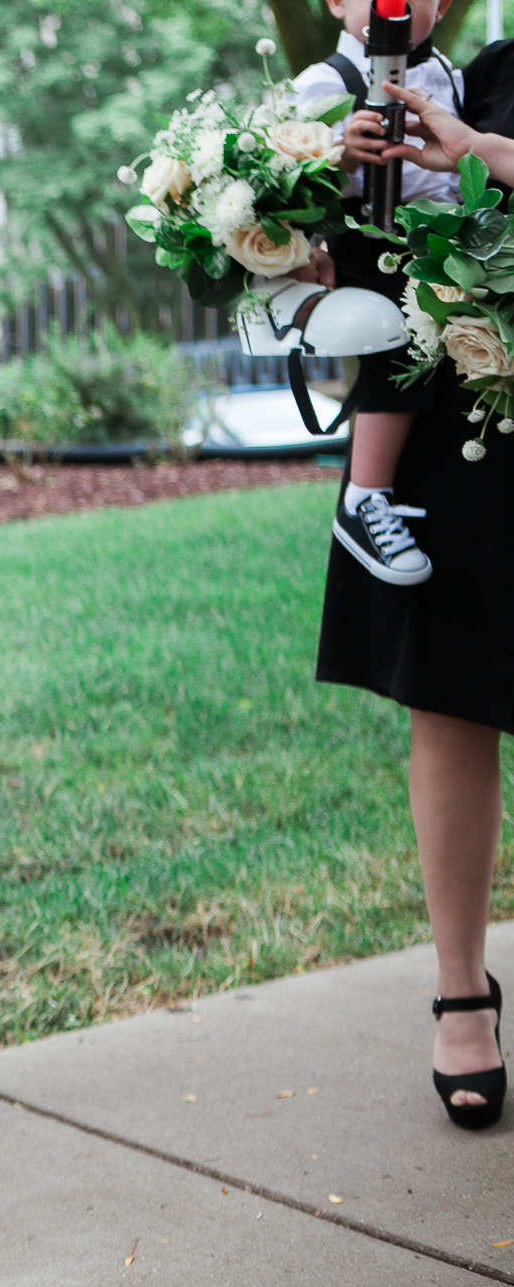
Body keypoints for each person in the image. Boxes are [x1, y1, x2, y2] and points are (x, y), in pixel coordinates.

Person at [325, 71, 514, 1129]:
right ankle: (458, 992)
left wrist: (477, 152)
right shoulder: (478, 70)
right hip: (460, 410)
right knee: (449, 700)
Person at [292, 0, 459, 587]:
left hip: (447, 245)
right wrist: (340, 158)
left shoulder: (449, 76)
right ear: (337, 1)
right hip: (370, 244)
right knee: (401, 348)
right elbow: (287, 184)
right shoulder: (323, 83)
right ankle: (365, 496)